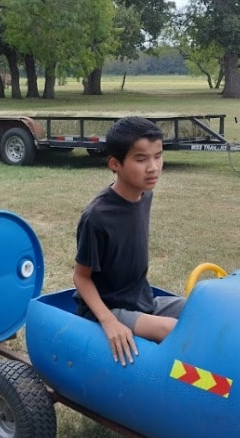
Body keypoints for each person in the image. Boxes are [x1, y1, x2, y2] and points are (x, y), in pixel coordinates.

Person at [72, 116, 185, 367]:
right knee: (172, 330)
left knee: (201, 311)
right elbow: (81, 277)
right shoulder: (97, 217)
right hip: (109, 307)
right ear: (115, 163)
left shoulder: (145, 195)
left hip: (141, 299)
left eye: (158, 156)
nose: (153, 167)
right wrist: (109, 321)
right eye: (141, 159)